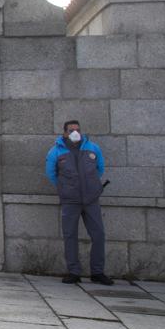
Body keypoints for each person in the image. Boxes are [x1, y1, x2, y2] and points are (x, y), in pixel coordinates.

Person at [45, 119, 113, 285]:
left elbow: (100, 168)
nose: (75, 133)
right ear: (64, 133)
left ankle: (97, 272)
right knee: (70, 235)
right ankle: (73, 271)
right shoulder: (55, 151)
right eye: (70, 130)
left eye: (77, 130)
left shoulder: (92, 148)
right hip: (70, 200)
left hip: (91, 199)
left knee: (98, 234)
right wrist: (65, 188)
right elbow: (51, 173)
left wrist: (92, 186)